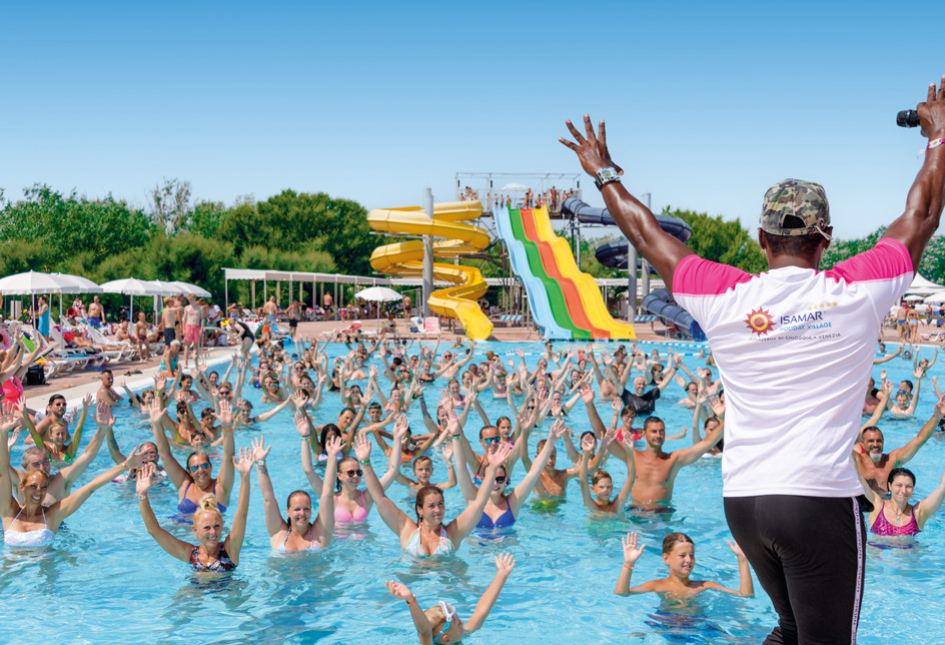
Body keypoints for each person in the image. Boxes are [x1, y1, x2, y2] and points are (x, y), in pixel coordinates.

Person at [559, 74, 945, 643]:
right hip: (815, 498)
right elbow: (923, 216)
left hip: (744, 500)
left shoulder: (724, 295)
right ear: (827, 239)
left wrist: (604, 173)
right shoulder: (857, 289)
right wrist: (936, 139)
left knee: (790, 629)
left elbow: (645, 235)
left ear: (761, 240)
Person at [1, 414, 145, 548]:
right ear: (21, 486)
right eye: (33, 486)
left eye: (43, 487)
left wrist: (125, 465)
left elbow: (90, 484)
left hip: (55, 543)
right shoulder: (9, 511)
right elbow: (2, 470)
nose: (39, 491)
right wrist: (2, 434)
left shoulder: (54, 512)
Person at [361, 433, 512, 556]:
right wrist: (365, 462)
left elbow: (479, 504)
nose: (438, 510)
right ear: (419, 510)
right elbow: (379, 498)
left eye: (440, 504)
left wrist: (493, 469)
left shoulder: (454, 532)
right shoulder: (406, 530)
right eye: (431, 506)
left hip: (445, 586)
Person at [135, 445, 253, 571]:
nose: (213, 532)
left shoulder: (230, 550)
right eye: (207, 528)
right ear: (195, 530)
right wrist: (142, 495)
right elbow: (154, 530)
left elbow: (242, 512)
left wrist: (245, 477)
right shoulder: (191, 555)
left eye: (217, 526)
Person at [386, 552, 516, 645]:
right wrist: (410, 600)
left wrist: (501, 575)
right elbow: (425, 631)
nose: (463, 623)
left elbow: (480, 612)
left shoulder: (457, 637)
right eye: (458, 624)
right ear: (446, 639)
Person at [148, 399, 235, 515]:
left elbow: (229, 457)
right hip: (181, 531)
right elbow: (165, 456)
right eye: (195, 468)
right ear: (189, 472)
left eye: (204, 465)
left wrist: (227, 428)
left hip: (212, 532)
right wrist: (156, 424)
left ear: (210, 467)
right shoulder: (184, 484)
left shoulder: (221, 487)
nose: (200, 470)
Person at [255, 435, 339, 551]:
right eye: (297, 509)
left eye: (306, 509)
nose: (302, 513)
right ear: (288, 511)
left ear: (311, 510)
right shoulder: (278, 533)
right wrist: (260, 462)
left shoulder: (320, 533)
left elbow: (327, 494)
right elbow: (268, 498)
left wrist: (332, 457)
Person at [615, 532, 753, 598]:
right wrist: (628, 564)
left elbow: (746, 595)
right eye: (682, 555)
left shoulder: (705, 586)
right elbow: (622, 593)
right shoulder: (657, 586)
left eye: (692, 555)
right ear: (666, 558)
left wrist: (742, 560)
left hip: (699, 626)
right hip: (668, 625)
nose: (688, 560)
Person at [854, 396, 944, 495]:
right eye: (871, 441)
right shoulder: (856, 460)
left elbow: (920, 440)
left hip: (886, 506)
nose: (875, 444)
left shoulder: (891, 460)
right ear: (862, 443)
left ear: (883, 442)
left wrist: (937, 416)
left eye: (878, 441)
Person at [859, 466, 945, 540]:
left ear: (913, 489)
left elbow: (942, 489)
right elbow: (857, 477)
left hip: (907, 558)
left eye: (908, 487)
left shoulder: (919, 512)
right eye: (899, 485)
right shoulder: (877, 505)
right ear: (890, 486)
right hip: (878, 557)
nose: (903, 491)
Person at [182, 293, 204, 369]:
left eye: (191, 299)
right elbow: (184, 319)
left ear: (195, 298)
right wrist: (183, 329)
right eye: (189, 299)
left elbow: (202, 319)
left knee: (196, 345)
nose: (190, 300)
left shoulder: (200, 308)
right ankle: (186, 362)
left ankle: (196, 362)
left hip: (196, 327)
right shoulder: (187, 308)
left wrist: (201, 328)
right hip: (189, 326)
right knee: (187, 345)